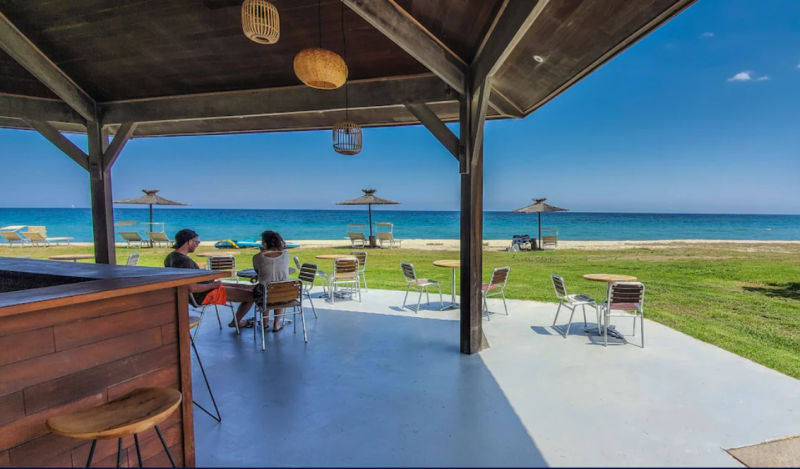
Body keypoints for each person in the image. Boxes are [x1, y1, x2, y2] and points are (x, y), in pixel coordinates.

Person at [164, 229, 256, 329]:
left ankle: (238, 320)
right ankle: (237, 322)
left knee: (245, 287)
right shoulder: (185, 262)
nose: (197, 244)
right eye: (196, 242)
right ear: (189, 242)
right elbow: (192, 288)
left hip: (199, 291)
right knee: (253, 296)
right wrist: (213, 285)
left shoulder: (170, 257)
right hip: (204, 294)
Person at [252, 230, 291, 332]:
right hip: (285, 295)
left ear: (264, 244)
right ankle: (276, 324)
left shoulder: (257, 257)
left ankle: (265, 322)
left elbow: (258, 271)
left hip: (265, 296)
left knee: (264, 291)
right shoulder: (286, 255)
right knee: (278, 290)